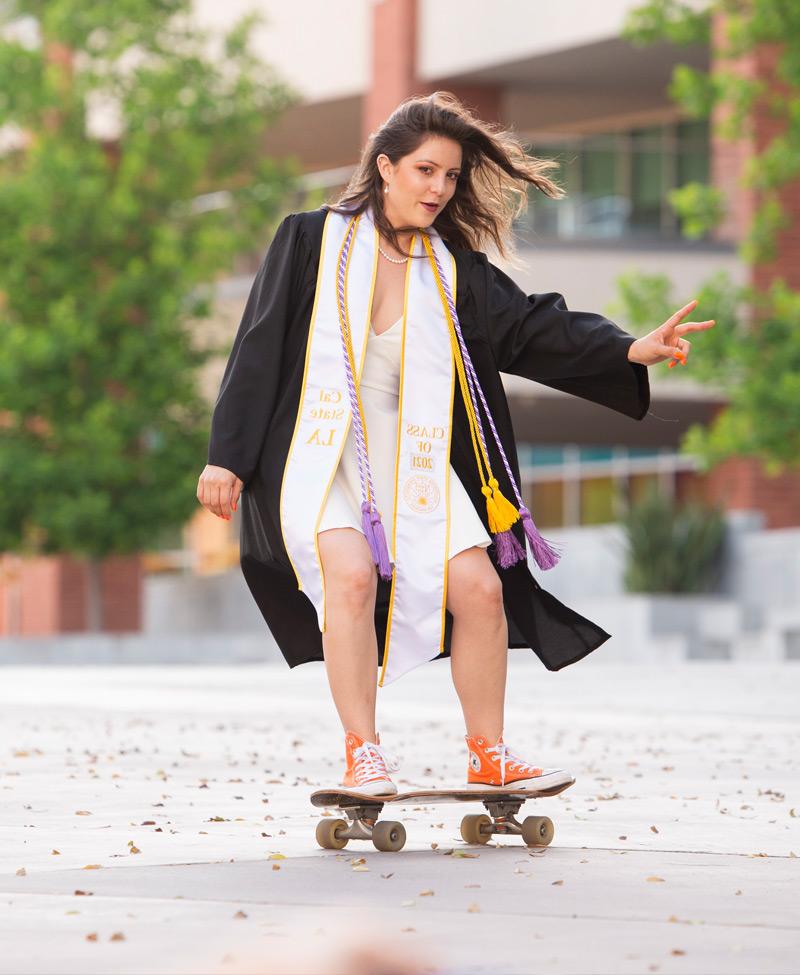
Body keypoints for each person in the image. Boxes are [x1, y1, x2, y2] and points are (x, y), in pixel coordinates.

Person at [197, 92, 715, 798]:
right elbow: (254, 348)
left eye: (450, 176)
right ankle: (363, 754)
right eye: (425, 171)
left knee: (479, 588)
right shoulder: (310, 240)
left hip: (410, 449)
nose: (440, 188)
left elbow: (535, 328)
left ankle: (488, 752)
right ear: (385, 168)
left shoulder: (452, 271)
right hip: (318, 452)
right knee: (348, 577)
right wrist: (227, 454)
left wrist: (630, 348)